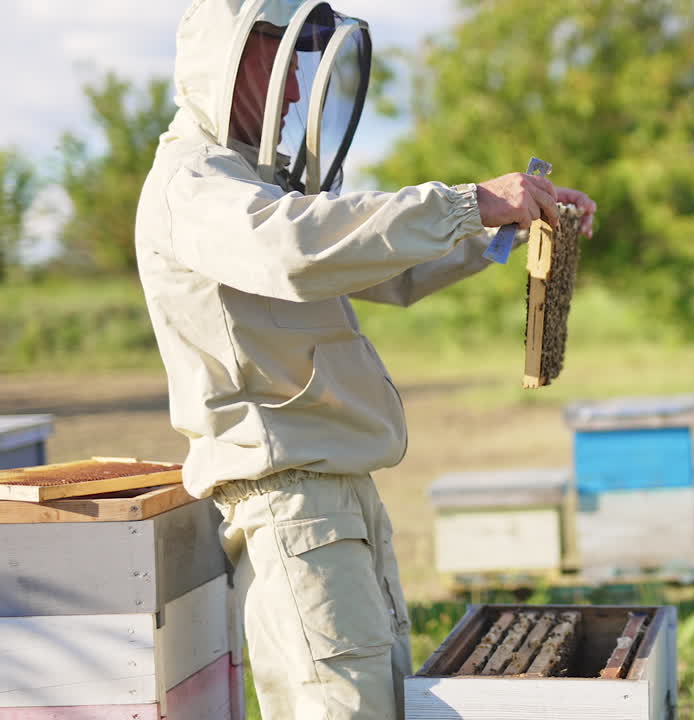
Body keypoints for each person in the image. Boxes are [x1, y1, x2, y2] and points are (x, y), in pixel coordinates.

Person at [134, 2, 596, 719]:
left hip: (337, 500)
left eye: (301, 69)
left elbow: (382, 268)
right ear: (219, 62)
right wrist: (465, 202)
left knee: (379, 703)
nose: (293, 92)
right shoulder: (196, 185)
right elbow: (293, 247)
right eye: (276, 62)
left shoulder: (253, 186)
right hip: (292, 506)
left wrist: (504, 226)